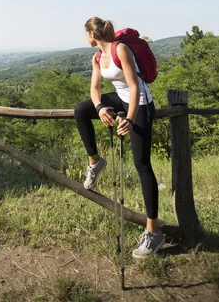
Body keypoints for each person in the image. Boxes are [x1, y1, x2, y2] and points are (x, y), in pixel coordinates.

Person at [74, 16, 165, 258]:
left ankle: (153, 232)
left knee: (142, 164)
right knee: (81, 110)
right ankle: (95, 161)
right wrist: (100, 108)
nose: (85, 39)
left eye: (85, 34)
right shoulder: (97, 57)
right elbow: (95, 90)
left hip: (141, 104)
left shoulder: (119, 49)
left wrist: (130, 119)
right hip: (120, 98)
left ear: (92, 35)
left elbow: (134, 87)